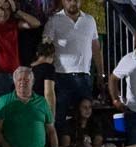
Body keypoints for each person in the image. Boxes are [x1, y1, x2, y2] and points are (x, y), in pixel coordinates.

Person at [43, 0, 102, 129]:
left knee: (84, 117)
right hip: (61, 76)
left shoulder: (90, 20)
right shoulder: (54, 20)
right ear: (63, 1)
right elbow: (45, 47)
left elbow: (96, 48)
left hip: (84, 76)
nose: (73, 2)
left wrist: (100, 72)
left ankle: (84, 146)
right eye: (69, 0)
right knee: (60, 115)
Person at [0, 66, 56, 147]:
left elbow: (51, 130)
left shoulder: (42, 102)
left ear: (32, 82)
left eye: (26, 80)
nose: (22, 83)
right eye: (19, 80)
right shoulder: (4, 101)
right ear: (14, 82)